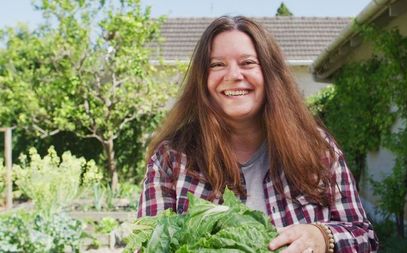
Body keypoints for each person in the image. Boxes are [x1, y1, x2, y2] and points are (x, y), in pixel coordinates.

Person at [137, 16, 378, 253]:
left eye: (248, 63)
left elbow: (364, 235)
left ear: (270, 75)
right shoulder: (171, 160)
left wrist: (323, 237)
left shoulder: (317, 149)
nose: (233, 75)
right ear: (202, 80)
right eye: (217, 64)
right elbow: (147, 245)